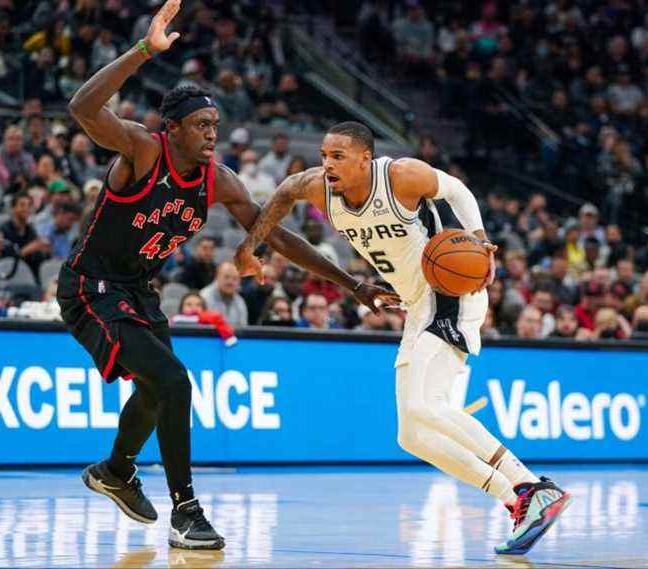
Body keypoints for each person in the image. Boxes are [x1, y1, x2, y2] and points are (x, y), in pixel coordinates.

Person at [59, 0, 390, 552]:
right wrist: (143, 50)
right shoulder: (142, 148)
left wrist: (352, 284)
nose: (213, 134)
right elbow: (83, 107)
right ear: (175, 129)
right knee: (173, 381)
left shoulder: (219, 180)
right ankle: (186, 511)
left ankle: (116, 471)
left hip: (139, 292)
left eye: (216, 125)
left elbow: (277, 235)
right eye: (201, 125)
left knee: (156, 389)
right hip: (91, 286)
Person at [235, 121, 571, 555]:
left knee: (424, 406)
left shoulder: (399, 176)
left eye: (338, 156)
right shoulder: (318, 188)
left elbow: (457, 191)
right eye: (323, 155)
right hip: (418, 306)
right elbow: (281, 195)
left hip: (449, 293)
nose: (327, 164)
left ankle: (530, 485)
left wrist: (482, 240)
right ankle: (516, 501)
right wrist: (250, 247)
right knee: (411, 434)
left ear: (364, 159)